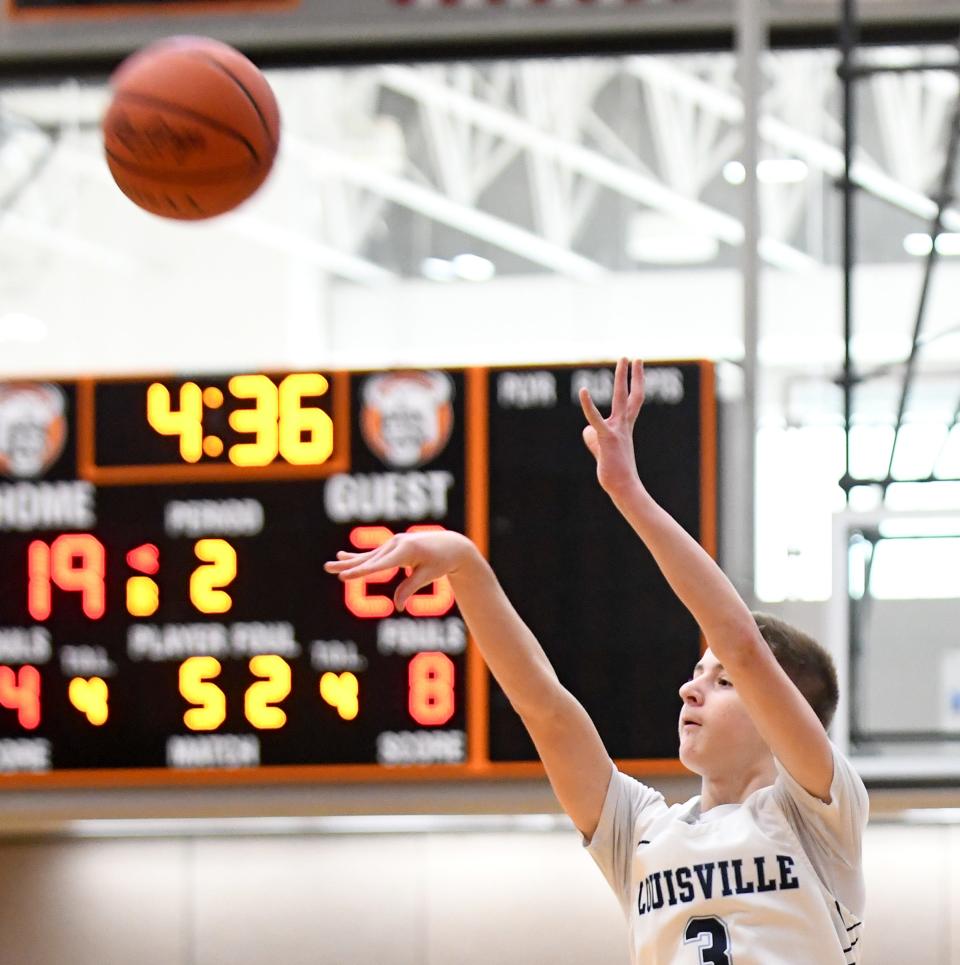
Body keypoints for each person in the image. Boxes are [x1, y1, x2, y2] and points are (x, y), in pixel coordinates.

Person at [324, 358, 868, 965]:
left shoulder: (816, 812)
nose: (691, 693)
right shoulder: (641, 829)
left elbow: (738, 637)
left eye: (722, 683)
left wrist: (628, 493)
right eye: (696, 677)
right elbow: (545, 708)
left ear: (782, 713)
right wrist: (466, 567)